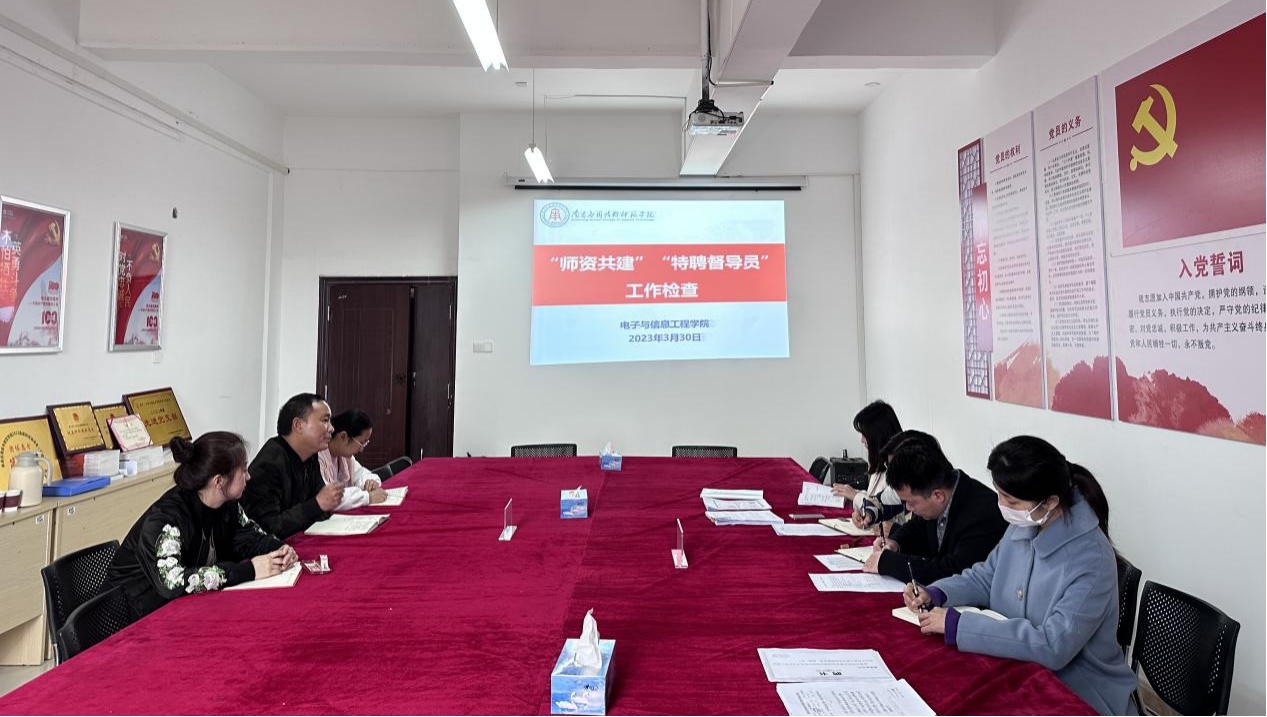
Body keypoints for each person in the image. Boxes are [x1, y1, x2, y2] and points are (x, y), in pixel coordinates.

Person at [906, 436, 1136, 716]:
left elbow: (1053, 645)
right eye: (1000, 495)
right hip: (1017, 667)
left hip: (1078, 692)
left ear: (1050, 502)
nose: (1001, 506)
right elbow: (986, 577)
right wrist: (938, 592)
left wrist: (960, 625)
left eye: (1011, 501)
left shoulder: (1092, 560)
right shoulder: (1026, 523)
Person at [107, 432, 297, 620]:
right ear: (219, 481)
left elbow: (250, 537)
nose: (248, 476)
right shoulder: (166, 519)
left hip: (181, 607)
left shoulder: (228, 504)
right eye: (243, 470)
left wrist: (279, 550)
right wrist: (250, 570)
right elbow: (173, 582)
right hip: (131, 615)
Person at [863, 430, 1007, 584]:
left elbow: (954, 572)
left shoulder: (983, 512)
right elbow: (917, 528)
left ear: (938, 496)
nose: (908, 508)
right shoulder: (931, 492)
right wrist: (895, 544)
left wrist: (890, 563)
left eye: (911, 502)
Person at [242, 393, 343, 539]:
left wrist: (319, 505)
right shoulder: (269, 464)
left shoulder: (310, 455)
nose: (331, 428)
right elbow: (266, 527)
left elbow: (323, 510)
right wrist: (316, 505)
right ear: (298, 425)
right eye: (325, 420)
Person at [831, 400, 906, 529]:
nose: (862, 440)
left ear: (877, 435)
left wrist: (855, 496)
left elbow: (892, 512)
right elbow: (877, 498)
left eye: (864, 435)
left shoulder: (901, 468)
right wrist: (861, 510)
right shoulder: (881, 462)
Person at [317, 409, 387, 510]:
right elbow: (329, 497)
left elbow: (362, 474)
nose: (362, 449)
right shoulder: (318, 456)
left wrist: (369, 482)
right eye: (361, 443)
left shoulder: (345, 456)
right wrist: (367, 497)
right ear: (343, 436)